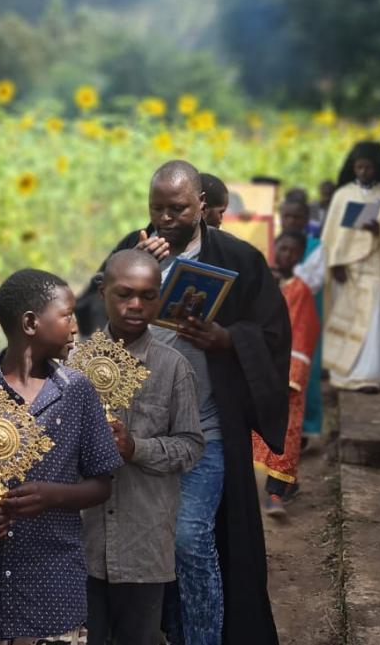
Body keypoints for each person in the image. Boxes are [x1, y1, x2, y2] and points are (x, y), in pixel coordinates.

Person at [76, 160, 291, 645]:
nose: (167, 218)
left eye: (178, 208)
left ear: (201, 206)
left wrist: (228, 338)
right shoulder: (133, 248)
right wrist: (130, 260)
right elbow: (86, 320)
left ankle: (203, 635)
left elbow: (274, 331)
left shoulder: (237, 258)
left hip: (207, 425)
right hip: (138, 430)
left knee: (191, 538)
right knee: (136, 545)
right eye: (157, 208)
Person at [0, 269, 123, 645]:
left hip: (53, 585)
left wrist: (53, 496)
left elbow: (102, 482)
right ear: (30, 323)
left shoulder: (76, 393)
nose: (75, 327)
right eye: (67, 314)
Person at [83, 250, 203, 645]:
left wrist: (136, 448)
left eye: (148, 296)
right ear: (103, 292)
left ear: (161, 297)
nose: (136, 305)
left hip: (143, 545)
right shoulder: (72, 364)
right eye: (124, 294)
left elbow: (190, 448)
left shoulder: (172, 368)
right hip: (83, 542)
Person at [322, 142, 380, 393]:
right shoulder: (342, 195)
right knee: (345, 316)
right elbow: (331, 237)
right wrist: (335, 263)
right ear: (353, 168)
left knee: (374, 318)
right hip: (347, 269)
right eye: (359, 167)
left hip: (374, 267)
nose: (363, 172)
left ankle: (370, 375)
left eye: (368, 167)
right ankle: (343, 374)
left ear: (377, 169)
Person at [253, 232, 320, 518]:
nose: (287, 255)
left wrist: (291, 375)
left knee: (286, 434)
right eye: (283, 249)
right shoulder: (261, 283)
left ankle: (276, 493)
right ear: (274, 249)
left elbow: (304, 335)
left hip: (286, 376)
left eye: (294, 251)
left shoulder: (301, 291)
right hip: (256, 369)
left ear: (300, 256)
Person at [279, 198, 326, 447]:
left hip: (305, 318)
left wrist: (285, 274)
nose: (291, 222)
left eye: (297, 217)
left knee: (308, 371)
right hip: (281, 318)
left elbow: (313, 280)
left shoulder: (316, 246)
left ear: (307, 219)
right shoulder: (277, 243)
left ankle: (308, 428)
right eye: (287, 216)